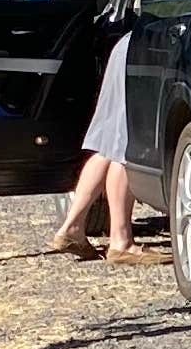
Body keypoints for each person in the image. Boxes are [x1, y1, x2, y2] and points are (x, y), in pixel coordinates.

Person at [54, 33, 148, 259]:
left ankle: (72, 227)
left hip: (128, 45)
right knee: (125, 141)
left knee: (109, 142)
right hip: (146, 47)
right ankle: (121, 241)